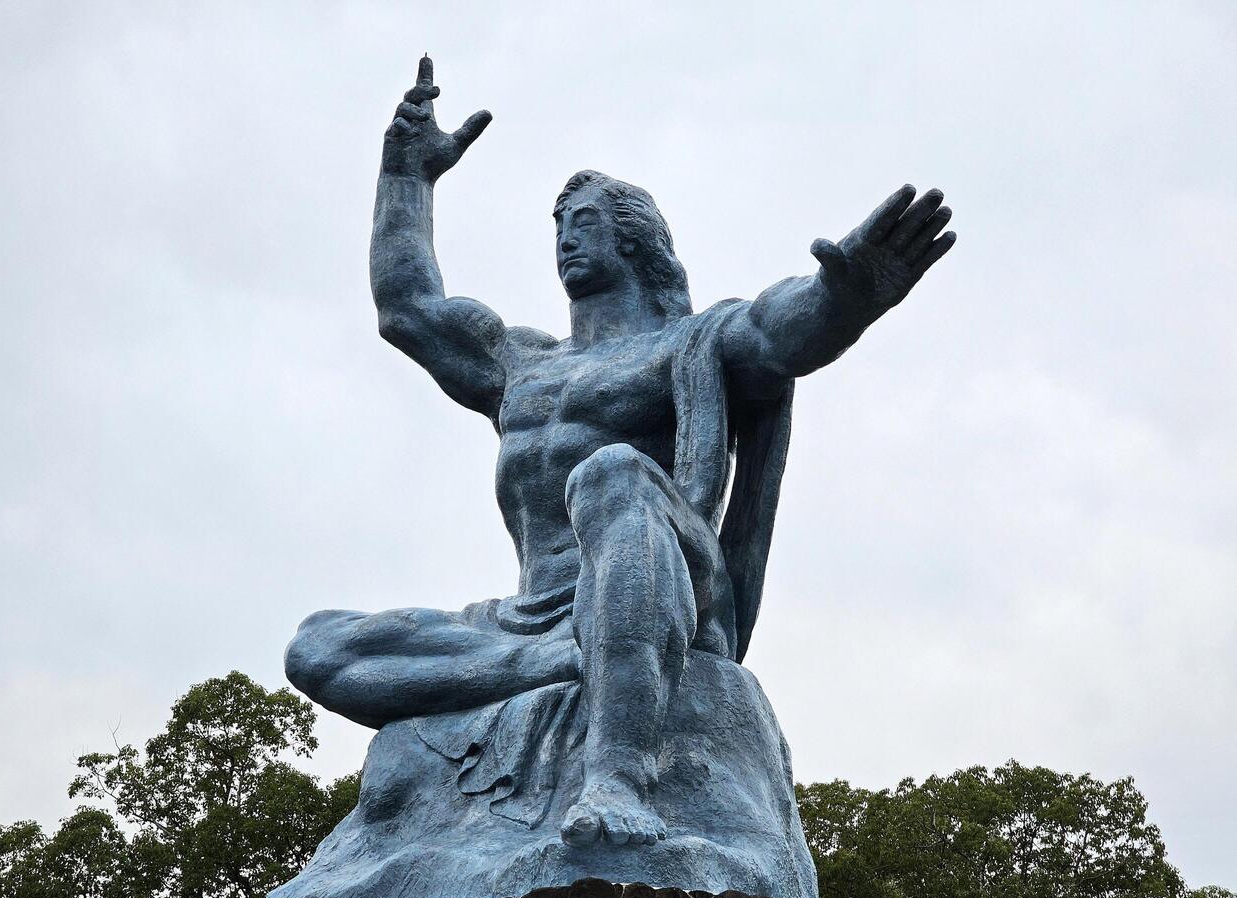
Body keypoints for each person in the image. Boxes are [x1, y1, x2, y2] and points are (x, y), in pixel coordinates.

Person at [285, 56, 956, 848]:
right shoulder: (518, 366)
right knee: (319, 645)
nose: (566, 239)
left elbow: (781, 330)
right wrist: (405, 178)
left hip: (670, 576)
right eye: (557, 226)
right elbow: (408, 311)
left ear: (635, 239)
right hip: (531, 620)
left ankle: (617, 777)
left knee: (610, 475)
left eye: (585, 223)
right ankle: (563, 660)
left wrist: (844, 299)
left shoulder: (694, 341)